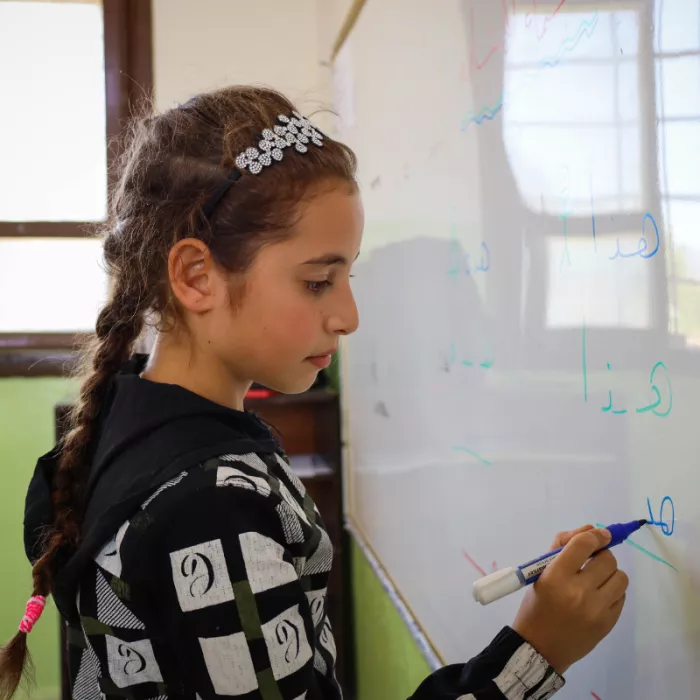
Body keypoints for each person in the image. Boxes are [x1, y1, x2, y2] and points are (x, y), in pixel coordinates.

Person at [0, 86, 628, 700]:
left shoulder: (127, 424)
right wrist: (536, 651)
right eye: (319, 281)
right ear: (197, 277)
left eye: (347, 276)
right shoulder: (209, 514)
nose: (349, 315)